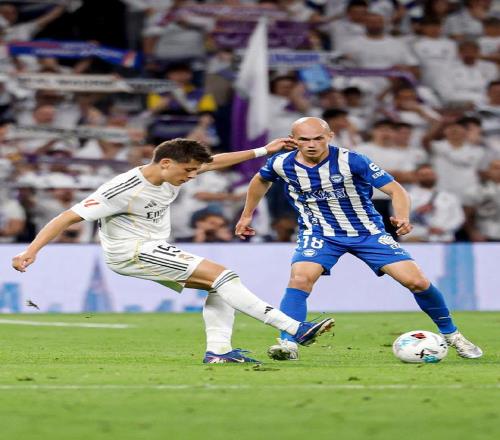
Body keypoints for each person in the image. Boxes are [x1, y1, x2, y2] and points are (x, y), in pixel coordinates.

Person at [12, 138, 333, 364]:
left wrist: (263, 150)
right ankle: (294, 328)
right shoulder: (122, 189)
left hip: (151, 247)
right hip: (132, 251)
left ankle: (219, 352)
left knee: (220, 286)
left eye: (194, 171)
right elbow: (67, 216)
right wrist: (32, 251)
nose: (192, 176)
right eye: (188, 171)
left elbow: (213, 162)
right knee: (225, 275)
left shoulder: (172, 173)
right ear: (166, 163)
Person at [235, 117, 482, 361]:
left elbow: (396, 189)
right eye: (304, 139)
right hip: (319, 233)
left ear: (329, 137)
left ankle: (452, 334)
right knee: (300, 279)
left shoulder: (352, 160)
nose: (311, 144)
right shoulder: (281, 163)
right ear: (293, 140)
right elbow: (260, 180)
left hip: (367, 233)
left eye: (318, 138)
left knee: (416, 282)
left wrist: (402, 216)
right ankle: (288, 343)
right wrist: (247, 215)